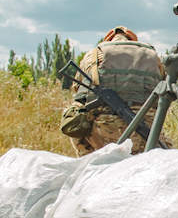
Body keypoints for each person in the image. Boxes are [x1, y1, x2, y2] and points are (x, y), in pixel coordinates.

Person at [60, 25, 169, 155]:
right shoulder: (153, 56)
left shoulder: (94, 54)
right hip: (149, 130)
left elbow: (78, 92)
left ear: (109, 39)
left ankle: (89, 166)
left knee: (75, 120)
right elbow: (165, 90)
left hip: (105, 129)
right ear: (133, 40)